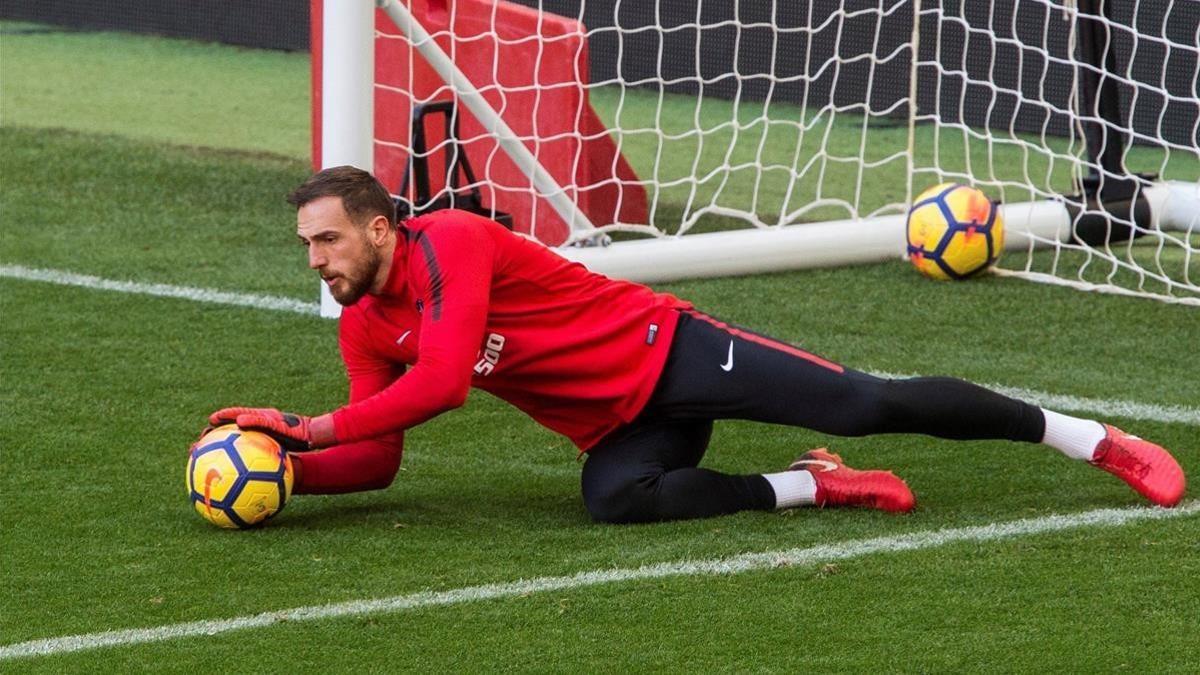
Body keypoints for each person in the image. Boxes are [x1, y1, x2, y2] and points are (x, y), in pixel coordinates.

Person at [207, 166, 1186, 523]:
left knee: (870, 401)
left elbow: (449, 381)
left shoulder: (452, 242)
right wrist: (291, 470)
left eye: (326, 238)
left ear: (379, 228)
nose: (316, 259)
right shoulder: (368, 323)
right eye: (308, 245)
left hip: (670, 352)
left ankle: (1089, 439)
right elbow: (376, 460)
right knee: (619, 503)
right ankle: (812, 485)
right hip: (618, 424)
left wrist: (306, 423)